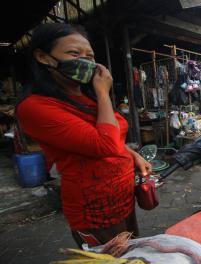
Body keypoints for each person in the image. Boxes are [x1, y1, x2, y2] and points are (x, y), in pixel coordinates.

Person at [16, 23, 152, 247]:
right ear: (43, 57)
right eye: (74, 53)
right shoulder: (35, 107)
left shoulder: (86, 98)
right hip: (95, 210)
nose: (86, 61)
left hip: (122, 199)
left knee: (134, 258)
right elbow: (104, 143)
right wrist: (102, 92)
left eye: (90, 56)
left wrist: (131, 154)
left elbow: (110, 137)